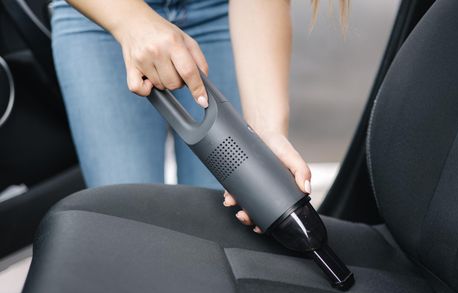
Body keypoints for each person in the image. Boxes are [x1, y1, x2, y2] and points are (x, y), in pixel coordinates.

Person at [51, 0, 344, 231]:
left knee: (220, 223)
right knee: (126, 224)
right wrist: (131, 22)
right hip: (102, 16)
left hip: (220, 13)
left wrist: (264, 135)